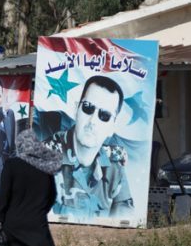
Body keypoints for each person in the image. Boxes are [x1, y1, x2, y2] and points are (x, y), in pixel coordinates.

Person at [46, 75, 133, 218]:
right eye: (88, 108)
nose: (93, 121)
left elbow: (125, 221)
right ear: (76, 110)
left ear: (113, 127)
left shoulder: (114, 168)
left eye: (104, 115)